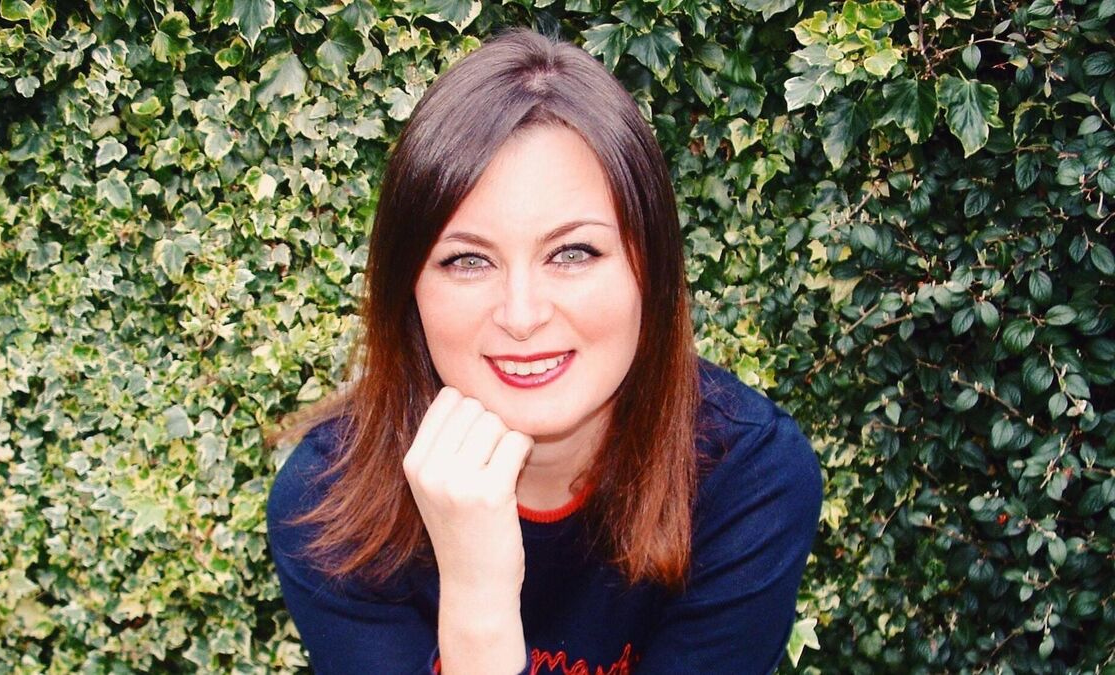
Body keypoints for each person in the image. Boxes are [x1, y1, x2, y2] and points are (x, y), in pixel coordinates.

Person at [265, 27, 822, 674]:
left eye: (573, 252)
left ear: (650, 268)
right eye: (467, 260)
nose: (522, 316)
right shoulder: (326, 505)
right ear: (408, 288)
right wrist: (478, 594)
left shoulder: (748, 476)